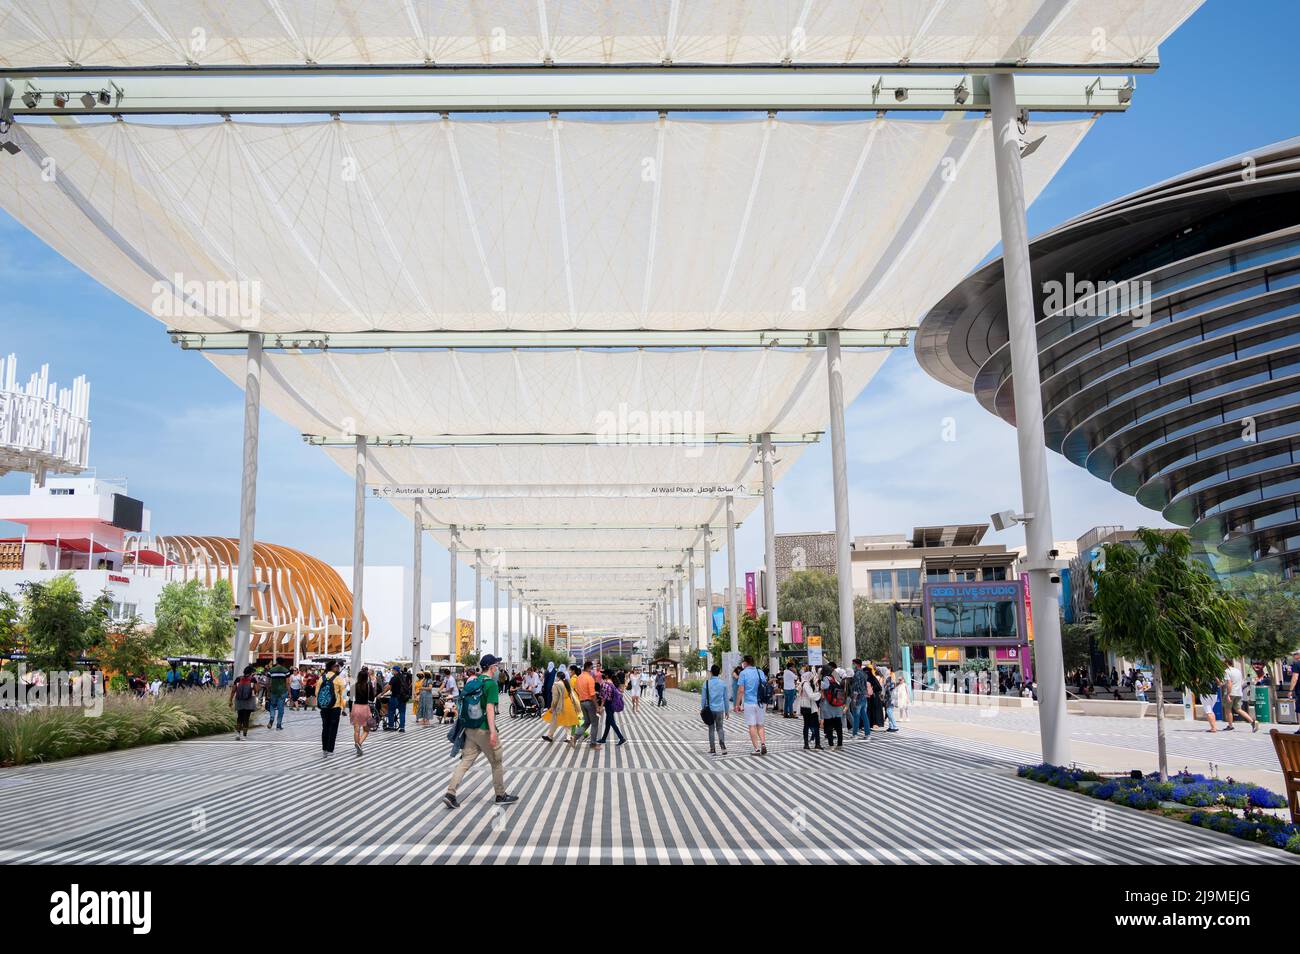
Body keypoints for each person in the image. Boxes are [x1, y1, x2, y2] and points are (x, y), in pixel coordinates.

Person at [444, 655, 518, 809]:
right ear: (491, 667)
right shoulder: (491, 684)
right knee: (496, 761)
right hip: (483, 729)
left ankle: (450, 793)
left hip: (469, 728)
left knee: (465, 762)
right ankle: (500, 795)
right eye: (496, 665)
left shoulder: (474, 681)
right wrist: (492, 732)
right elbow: (490, 708)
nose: (497, 668)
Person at [734, 655, 768, 757]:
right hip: (760, 702)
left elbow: (741, 690)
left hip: (749, 703)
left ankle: (757, 749)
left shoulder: (743, 673)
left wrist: (737, 705)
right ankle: (763, 743)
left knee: (752, 726)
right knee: (760, 725)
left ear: (745, 662)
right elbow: (764, 685)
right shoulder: (760, 672)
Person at [540, 667, 580, 745]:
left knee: (555, 720)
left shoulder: (556, 684)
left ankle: (550, 736)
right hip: (568, 704)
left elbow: (555, 698)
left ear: (557, 677)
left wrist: (552, 707)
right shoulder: (566, 683)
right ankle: (566, 737)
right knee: (566, 721)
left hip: (560, 704)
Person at [1221, 659, 1259, 733]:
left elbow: (1229, 683)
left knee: (1228, 709)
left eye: (1223, 663)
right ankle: (1252, 722)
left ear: (1226, 663)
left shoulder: (1227, 671)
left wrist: (1228, 694)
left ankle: (1230, 725)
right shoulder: (1238, 671)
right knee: (1238, 709)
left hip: (1231, 693)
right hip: (1239, 692)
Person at [317, 659, 344, 756]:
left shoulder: (321, 678)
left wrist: (321, 704)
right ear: (332, 667)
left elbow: (317, 693)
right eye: (336, 666)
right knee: (333, 728)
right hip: (335, 707)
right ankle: (330, 749)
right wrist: (342, 707)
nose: (338, 667)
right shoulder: (338, 679)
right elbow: (343, 695)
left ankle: (324, 748)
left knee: (325, 727)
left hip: (324, 707)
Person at [701, 664, 729, 755]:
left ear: (711, 672)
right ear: (719, 672)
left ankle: (712, 748)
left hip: (709, 710)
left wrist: (703, 709)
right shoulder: (723, 684)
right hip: (720, 709)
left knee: (711, 729)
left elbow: (703, 699)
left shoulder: (706, 683)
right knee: (720, 728)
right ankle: (722, 744)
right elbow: (725, 699)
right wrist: (727, 711)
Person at [228, 664, 258, 740]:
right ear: (251, 672)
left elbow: (233, 691)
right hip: (249, 701)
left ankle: (238, 734)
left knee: (239, 716)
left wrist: (230, 700)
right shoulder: (253, 679)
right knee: (246, 717)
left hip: (239, 700)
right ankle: (244, 735)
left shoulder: (238, 679)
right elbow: (256, 690)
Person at [575, 661, 601, 748]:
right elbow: (592, 694)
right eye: (592, 667)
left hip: (581, 702)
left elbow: (576, 690)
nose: (593, 669)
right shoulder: (589, 678)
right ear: (589, 668)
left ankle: (574, 738)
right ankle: (593, 744)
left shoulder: (579, 677)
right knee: (595, 723)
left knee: (586, 722)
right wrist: (597, 706)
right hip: (589, 702)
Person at [597, 670, 626, 745]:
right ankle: (603, 739)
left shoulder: (605, 684)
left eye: (603, 674)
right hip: (612, 704)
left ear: (606, 675)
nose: (602, 675)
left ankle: (621, 738)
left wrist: (600, 707)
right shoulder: (612, 683)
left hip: (608, 704)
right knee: (608, 722)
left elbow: (603, 697)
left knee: (612, 722)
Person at [351, 665, 375, 756]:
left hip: (356, 707)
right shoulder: (369, 686)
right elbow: (372, 699)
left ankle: (358, 744)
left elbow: (350, 698)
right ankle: (359, 743)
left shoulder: (354, 685)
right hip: (365, 708)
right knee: (366, 730)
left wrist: (350, 711)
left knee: (356, 730)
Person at [820, 666, 846, 748]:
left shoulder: (825, 678)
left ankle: (831, 744)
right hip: (837, 706)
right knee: (838, 726)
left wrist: (819, 683)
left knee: (829, 726)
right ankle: (840, 743)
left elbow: (826, 686)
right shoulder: (833, 678)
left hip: (829, 706)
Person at [797, 668, 822, 751]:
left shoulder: (802, 684)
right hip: (810, 707)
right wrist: (819, 694)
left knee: (806, 725)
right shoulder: (806, 685)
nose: (812, 679)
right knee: (815, 726)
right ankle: (817, 744)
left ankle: (806, 744)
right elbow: (811, 696)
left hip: (804, 707)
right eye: (811, 677)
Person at [848, 659, 871, 739]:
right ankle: (867, 734)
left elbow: (856, 688)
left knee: (856, 716)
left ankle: (855, 734)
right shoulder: (864, 673)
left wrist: (854, 699)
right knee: (864, 716)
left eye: (853, 664)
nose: (852, 665)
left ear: (856, 664)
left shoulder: (857, 674)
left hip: (857, 698)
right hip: (864, 697)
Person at [265, 657, 290, 730]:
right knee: (281, 708)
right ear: (283, 662)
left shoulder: (271, 670)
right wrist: (289, 692)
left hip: (273, 691)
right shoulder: (286, 671)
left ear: (277, 662)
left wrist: (268, 691)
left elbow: (267, 683)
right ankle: (278, 725)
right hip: (282, 692)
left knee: (272, 706)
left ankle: (271, 719)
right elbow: (287, 683)